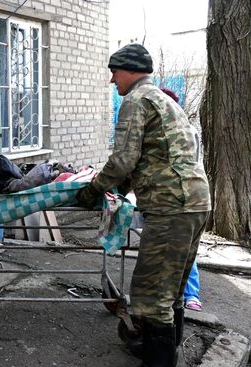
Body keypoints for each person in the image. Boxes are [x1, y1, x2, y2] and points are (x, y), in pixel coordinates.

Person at [76, 44, 210, 367]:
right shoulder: (163, 101)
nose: (112, 80)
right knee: (173, 288)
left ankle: (158, 361)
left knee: (151, 295)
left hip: (170, 207)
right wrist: (120, 188)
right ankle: (163, 351)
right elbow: (146, 159)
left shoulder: (135, 101)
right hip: (196, 201)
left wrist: (91, 191)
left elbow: (123, 160)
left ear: (131, 70)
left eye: (114, 72)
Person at [160, 87, 203, 313]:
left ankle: (190, 294)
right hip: (172, 198)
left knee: (185, 250)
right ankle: (174, 297)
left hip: (185, 198)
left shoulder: (184, 131)